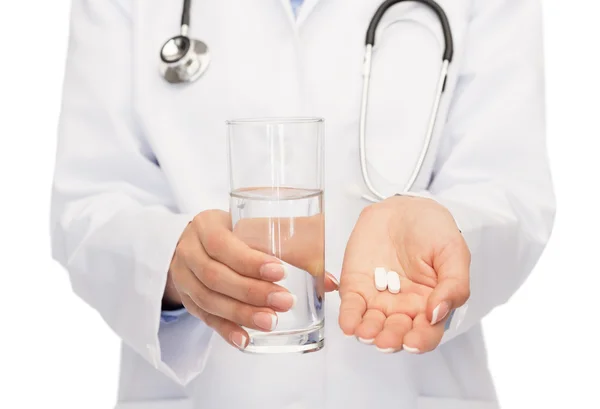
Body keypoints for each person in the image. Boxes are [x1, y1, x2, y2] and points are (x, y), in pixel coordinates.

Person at [50, 0, 555, 408]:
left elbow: (508, 187)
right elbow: (89, 200)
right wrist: (170, 259)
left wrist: (450, 228)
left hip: (400, 388)